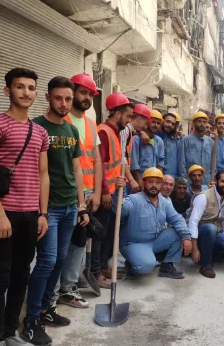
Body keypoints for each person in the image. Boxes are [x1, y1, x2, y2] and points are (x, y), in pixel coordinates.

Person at [0, 68, 50, 346]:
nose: (26, 93)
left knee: (22, 273)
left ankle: (10, 333)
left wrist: (42, 213)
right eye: (19, 87)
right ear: (7, 91)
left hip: (30, 214)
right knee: (0, 275)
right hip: (3, 213)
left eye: (31, 88)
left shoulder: (40, 132)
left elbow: (43, 174)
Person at [22, 77, 89, 345]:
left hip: (70, 206)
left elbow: (76, 170)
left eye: (68, 99)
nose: (63, 104)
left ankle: (48, 309)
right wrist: (39, 210)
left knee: (60, 260)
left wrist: (81, 204)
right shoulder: (36, 127)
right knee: (47, 261)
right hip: (46, 208)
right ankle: (32, 319)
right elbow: (33, 170)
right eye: (59, 98)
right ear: (48, 97)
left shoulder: (72, 131)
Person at [56, 73, 102, 309]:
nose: (87, 97)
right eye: (83, 92)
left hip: (86, 193)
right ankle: (53, 292)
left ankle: (68, 286)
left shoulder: (89, 124)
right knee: (57, 246)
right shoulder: (61, 121)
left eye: (90, 94)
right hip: (63, 194)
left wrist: (96, 191)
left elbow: (96, 161)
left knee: (78, 243)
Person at [113, 167, 190, 279]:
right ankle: (132, 264)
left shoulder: (164, 202)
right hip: (134, 243)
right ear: (143, 183)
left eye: (158, 182)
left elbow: (177, 219)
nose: (154, 185)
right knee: (146, 266)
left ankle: (167, 266)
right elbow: (120, 210)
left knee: (179, 232)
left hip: (155, 241)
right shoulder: (134, 199)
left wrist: (186, 237)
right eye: (150, 182)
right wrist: (118, 192)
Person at [92, 92, 135, 289]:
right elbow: (99, 165)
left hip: (113, 190)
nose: (128, 121)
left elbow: (114, 163)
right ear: (117, 114)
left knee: (108, 232)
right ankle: (96, 272)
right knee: (99, 234)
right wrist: (105, 192)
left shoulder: (115, 133)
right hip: (105, 193)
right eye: (127, 116)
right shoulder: (103, 132)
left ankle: (101, 267)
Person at [187, 170, 224, 278]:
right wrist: (194, 248)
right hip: (200, 232)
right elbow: (193, 222)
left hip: (215, 233)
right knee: (210, 228)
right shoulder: (203, 196)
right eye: (223, 181)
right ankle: (206, 265)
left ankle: (207, 255)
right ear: (215, 181)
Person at [131, 109, 165, 186]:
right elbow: (134, 164)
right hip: (139, 181)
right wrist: (140, 183)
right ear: (147, 122)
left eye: (158, 123)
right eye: (153, 122)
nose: (156, 125)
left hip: (153, 183)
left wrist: (158, 182)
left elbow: (160, 163)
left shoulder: (159, 141)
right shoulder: (136, 139)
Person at [179, 111, 214, 185]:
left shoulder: (210, 142)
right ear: (194, 123)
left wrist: (212, 179)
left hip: (206, 182)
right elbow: (182, 163)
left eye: (204, 122)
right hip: (190, 182)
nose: (202, 124)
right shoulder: (185, 141)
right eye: (199, 121)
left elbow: (213, 163)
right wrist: (185, 181)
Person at [158, 112, 182, 178]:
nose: (170, 125)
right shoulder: (156, 136)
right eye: (168, 121)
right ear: (162, 121)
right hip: (161, 176)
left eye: (174, 124)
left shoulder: (179, 139)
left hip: (176, 177)